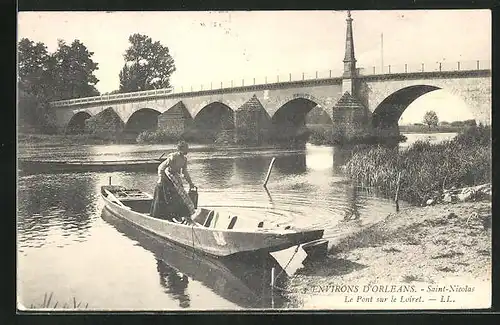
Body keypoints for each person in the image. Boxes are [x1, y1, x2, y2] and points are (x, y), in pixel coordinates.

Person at [150, 141, 196, 223]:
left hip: (175, 178)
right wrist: (160, 178)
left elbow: (185, 172)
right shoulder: (173, 157)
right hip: (166, 178)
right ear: (180, 149)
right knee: (167, 198)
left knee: (181, 196)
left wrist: (191, 183)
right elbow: (161, 167)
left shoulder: (184, 159)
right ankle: (166, 218)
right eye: (186, 148)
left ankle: (181, 216)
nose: (188, 150)